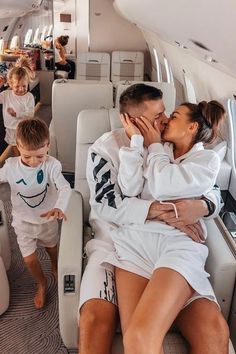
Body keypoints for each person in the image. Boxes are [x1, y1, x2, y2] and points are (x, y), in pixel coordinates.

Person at [78, 84, 228, 354]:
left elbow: (208, 188)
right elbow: (108, 204)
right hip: (119, 240)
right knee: (105, 327)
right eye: (157, 115)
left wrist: (204, 206)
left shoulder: (171, 143)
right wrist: (162, 211)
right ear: (134, 121)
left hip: (171, 245)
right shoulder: (105, 149)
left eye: (166, 112)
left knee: (213, 332)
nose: (166, 118)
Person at [0, 118, 71, 309]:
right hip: (22, 221)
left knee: (52, 248)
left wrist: (60, 206)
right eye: (27, 157)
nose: (33, 162)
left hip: (47, 219)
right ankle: (41, 283)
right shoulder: (11, 166)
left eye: (39, 156)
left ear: (48, 145)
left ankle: (55, 265)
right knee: (29, 259)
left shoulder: (52, 165)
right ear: (18, 148)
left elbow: (65, 187)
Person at [0, 56, 35, 157]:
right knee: (14, 146)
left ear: (27, 83)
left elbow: (30, 114)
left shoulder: (29, 97)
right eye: (17, 86)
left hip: (24, 127)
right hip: (10, 127)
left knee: (25, 147)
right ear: (10, 84)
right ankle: (19, 162)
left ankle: (26, 161)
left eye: (24, 86)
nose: (21, 89)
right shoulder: (6, 94)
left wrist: (16, 114)